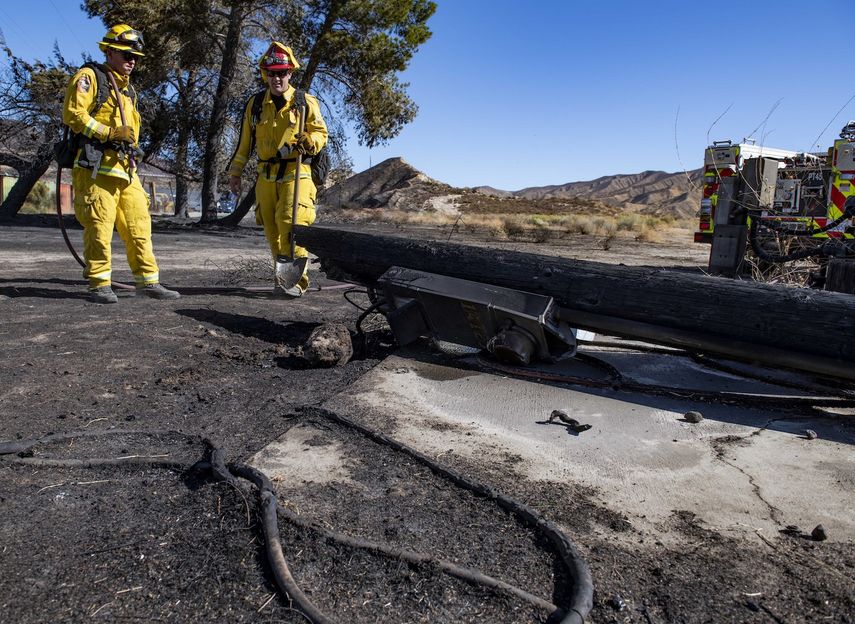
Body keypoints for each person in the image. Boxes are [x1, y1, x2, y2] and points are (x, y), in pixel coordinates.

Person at [62, 24, 180, 304]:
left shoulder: (129, 92)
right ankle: (99, 284)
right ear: (110, 51)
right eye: (127, 55)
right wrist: (108, 133)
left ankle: (148, 281)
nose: (132, 61)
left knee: (139, 225)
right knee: (99, 226)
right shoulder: (90, 77)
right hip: (95, 168)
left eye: (136, 57)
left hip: (125, 170)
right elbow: (73, 113)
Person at [228, 42, 328, 298]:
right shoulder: (255, 104)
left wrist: (310, 141)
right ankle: (282, 279)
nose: (277, 78)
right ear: (265, 74)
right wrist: (235, 172)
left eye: (282, 72)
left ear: (290, 73)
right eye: (272, 73)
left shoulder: (304, 101)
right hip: (266, 175)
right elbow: (244, 143)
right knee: (273, 230)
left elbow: (320, 133)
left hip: (298, 171)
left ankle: (297, 282)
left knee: (291, 225)